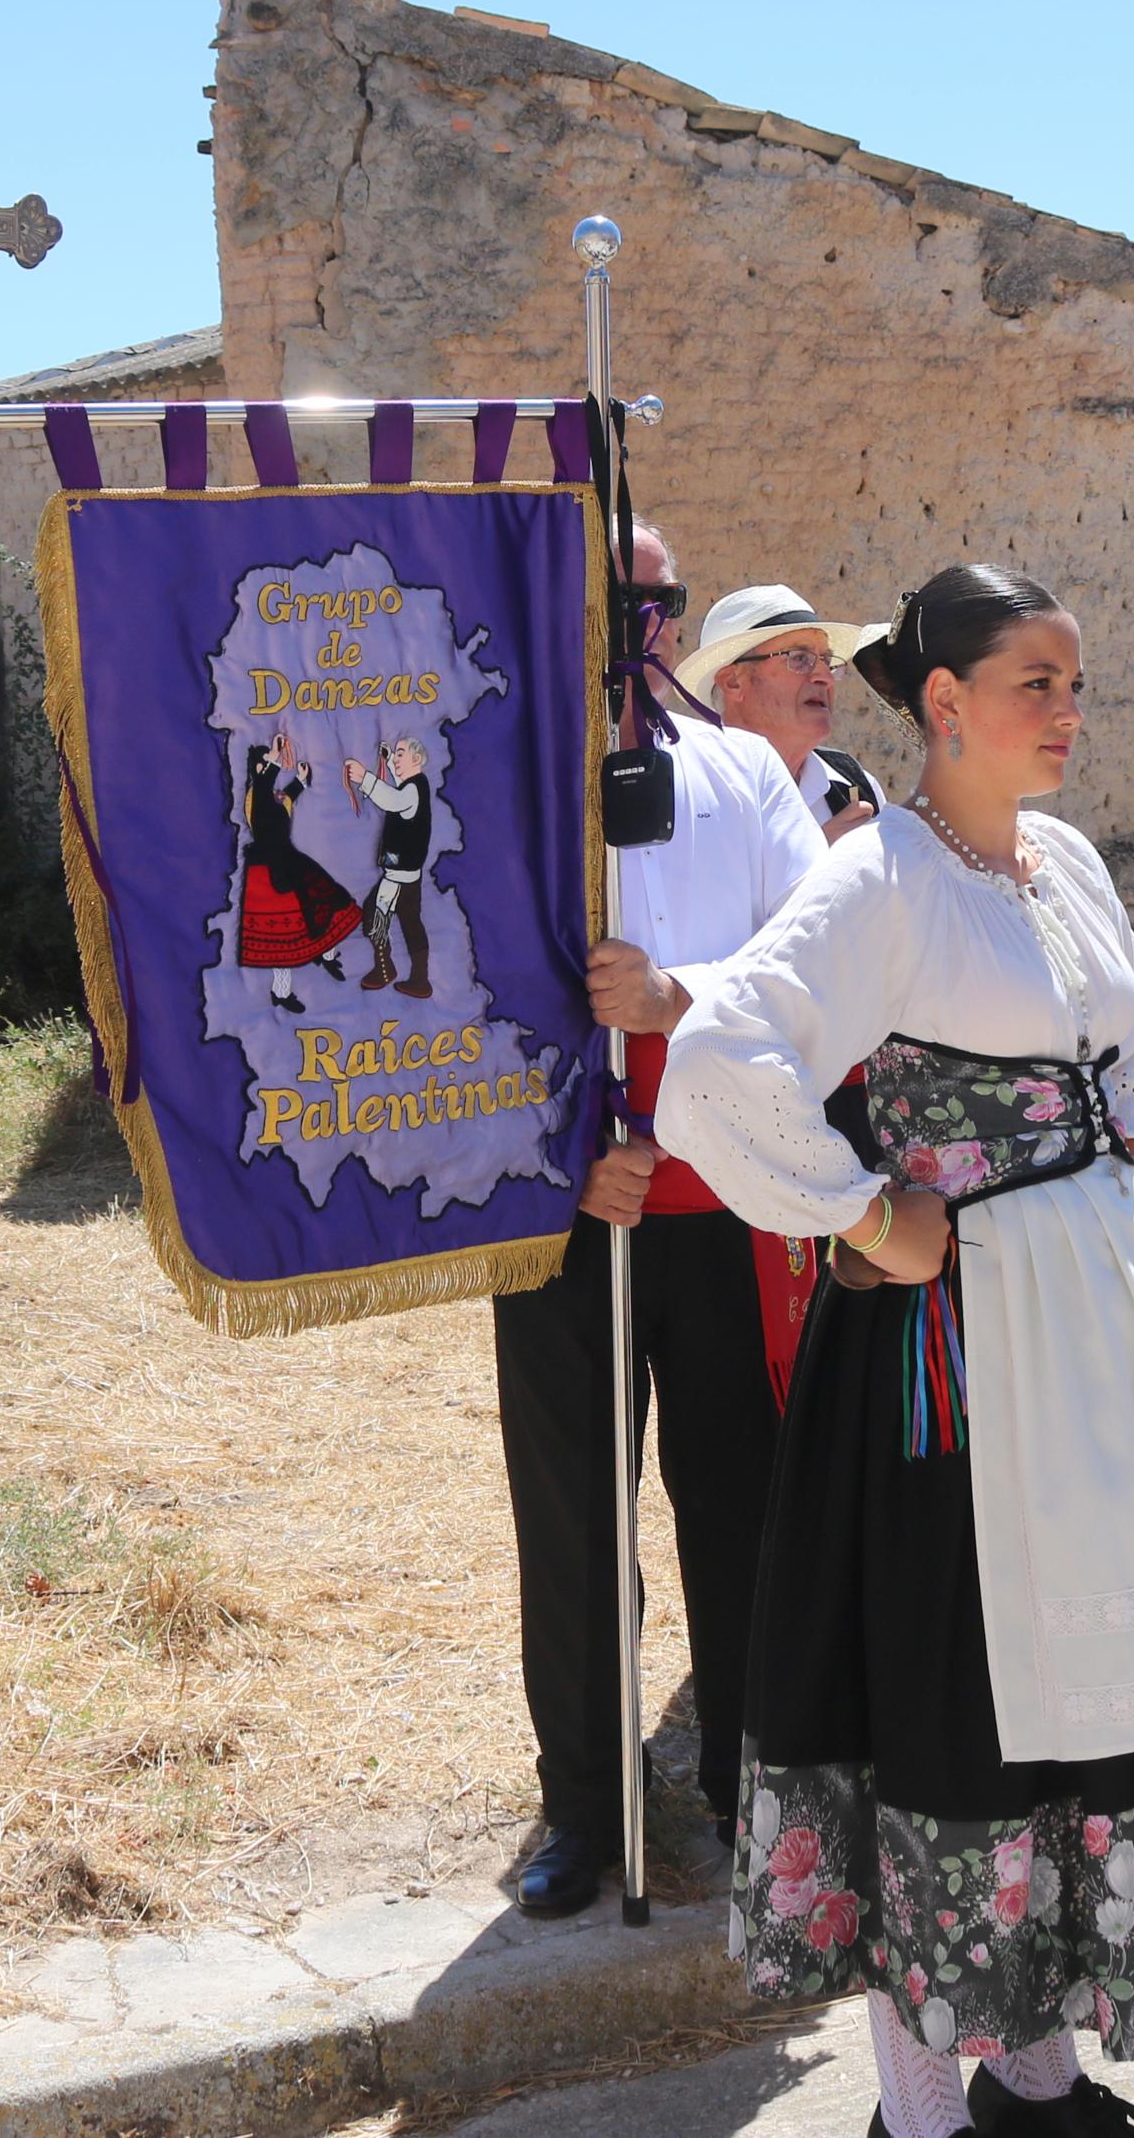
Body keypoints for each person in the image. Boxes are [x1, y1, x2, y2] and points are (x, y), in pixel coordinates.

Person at [658, 564, 1134, 2138]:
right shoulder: (876, 878)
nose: (1066, 713)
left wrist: (1123, 1134)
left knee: (1086, 1693)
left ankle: (1038, 2070)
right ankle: (921, 2106)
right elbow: (718, 1054)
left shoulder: (1059, 857)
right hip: (952, 1368)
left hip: (1100, 1337)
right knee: (951, 1698)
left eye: (1072, 682)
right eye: (1036, 682)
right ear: (941, 703)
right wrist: (871, 1215)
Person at [495, 521, 828, 1918]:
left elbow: (819, 956)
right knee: (572, 1515)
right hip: (560, 1199)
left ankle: (754, 1786)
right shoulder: (489, 761)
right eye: (608, 593)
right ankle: (583, 1799)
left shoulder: (741, 769)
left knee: (741, 1503)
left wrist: (675, 992)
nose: (633, 619)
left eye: (656, 598)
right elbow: (443, 989)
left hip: (714, 1196)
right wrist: (562, 1150)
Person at [676, 581, 887, 837]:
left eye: (827, 661)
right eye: (800, 658)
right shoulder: (691, 791)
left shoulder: (854, 785)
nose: (825, 677)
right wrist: (823, 855)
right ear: (733, 682)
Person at [235, 731, 366, 1011]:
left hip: (291, 862)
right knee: (282, 938)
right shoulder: (256, 796)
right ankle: (280, 993)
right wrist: (274, 755)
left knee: (330, 900)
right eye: (263, 765)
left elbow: (286, 799)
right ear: (258, 769)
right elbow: (266, 782)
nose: (267, 769)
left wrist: (301, 781)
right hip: (270, 874)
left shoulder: (270, 799)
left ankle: (327, 955)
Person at [353, 737, 438, 998]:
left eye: (401, 754)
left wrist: (365, 778)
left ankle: (384, 969)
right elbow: (400, 787)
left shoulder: (411, 791)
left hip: (398, 878)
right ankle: (419, 979)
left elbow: (393, 799)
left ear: (416, 759)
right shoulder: (416, 786)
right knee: (411, 923)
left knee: (374, 917)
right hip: (407, 876)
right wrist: (390, 759)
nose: (397, 759)